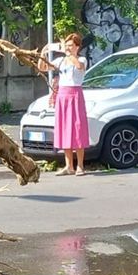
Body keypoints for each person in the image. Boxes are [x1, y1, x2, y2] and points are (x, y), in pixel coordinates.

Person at [41, 32, 89, 174]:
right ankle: (69, 166)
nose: (67, 48)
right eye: (66, 45)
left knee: (78, 129)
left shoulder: (81, 59)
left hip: (75, 94)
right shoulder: (60, 60)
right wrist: (44, 51)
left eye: (70, 45)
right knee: (65, 129)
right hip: (63, 95)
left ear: (77, 46)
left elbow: (79, 66)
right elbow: (43, 67)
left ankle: (80, 165)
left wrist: (68, 53)